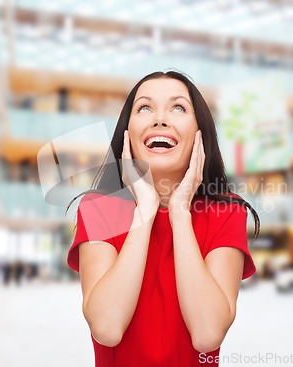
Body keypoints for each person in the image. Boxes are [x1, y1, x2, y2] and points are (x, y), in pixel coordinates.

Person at [66, 71, 260, 367]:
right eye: (145, 108)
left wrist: (180, 212)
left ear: (200, 133)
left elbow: (207, 334)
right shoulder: (99, 209)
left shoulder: (227, 213)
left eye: (178, 108)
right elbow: (106, 328)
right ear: (126, 132)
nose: (160, 119)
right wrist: (144, 209)